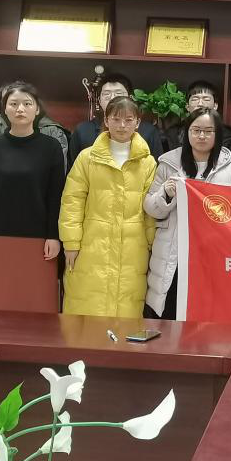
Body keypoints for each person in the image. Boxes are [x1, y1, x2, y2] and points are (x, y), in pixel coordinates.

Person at [144, 107, 231, 319]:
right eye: (196, 130)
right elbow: (151, 208)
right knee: (170, 316)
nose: (202, 136)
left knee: (207, 317)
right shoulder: (168, 164)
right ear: (187, 132)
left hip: (213, 256)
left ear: (218, 134)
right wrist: (166, 193)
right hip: (173, 254)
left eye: (208, 131)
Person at [60, 96, 157, 317]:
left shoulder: (147, 162)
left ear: (137, 123)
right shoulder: (87, 158)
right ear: (106, 120)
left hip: (134, 247)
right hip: (91, 244)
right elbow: (72, 201)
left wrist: (153, 246)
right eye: (116, 119)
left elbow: (150, 210)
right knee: (86, 304)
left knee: (127, 308)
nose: (122, 125)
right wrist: (71, 243)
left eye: (128, 120)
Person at [0, 81, 65, 286]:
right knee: (1, 294)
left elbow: (56, 196)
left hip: (40, 239)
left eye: (27, 103)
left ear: (37, 109)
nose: (20, 109)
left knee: (36, 295)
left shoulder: (51, 147)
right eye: (13, 104)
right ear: (5, 109)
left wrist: (54, 236)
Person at [67, 71, 163, 166]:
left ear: (130, 98)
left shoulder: (149, 131)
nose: (112, 98)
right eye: (107, 94)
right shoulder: (82, 131)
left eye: (118, 93)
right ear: (99, 101)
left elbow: (157, 170)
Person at [163, 80, 231, 151]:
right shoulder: (173, 134)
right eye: (195, 99)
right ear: (187, 106)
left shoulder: (229, 137)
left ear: (215, 106)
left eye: (206, 99)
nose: (200, 104)